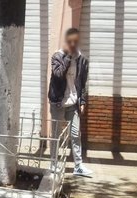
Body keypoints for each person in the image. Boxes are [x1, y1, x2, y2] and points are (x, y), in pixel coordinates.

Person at [48, 27, 93, 177]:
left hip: (73, 103)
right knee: (56, 135)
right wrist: (68, 56)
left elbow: (83, 83)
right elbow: (58, 74)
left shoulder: (82, 61)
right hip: (58, 103)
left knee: (75, 134)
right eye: (70, 41)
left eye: (75, 41)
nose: (73, 44)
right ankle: (53, 164)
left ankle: (78, 166)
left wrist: (82, 101)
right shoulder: (57, 56)